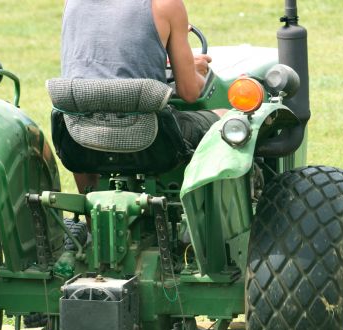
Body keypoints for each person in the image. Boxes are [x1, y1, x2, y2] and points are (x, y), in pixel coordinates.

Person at [60, 0, 224, 193]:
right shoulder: (167, 5)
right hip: (150, 137)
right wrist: (193, 69)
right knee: (226, 118)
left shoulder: (72, 3)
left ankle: (90, 218)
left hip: (78, 137)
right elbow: (189, 92)